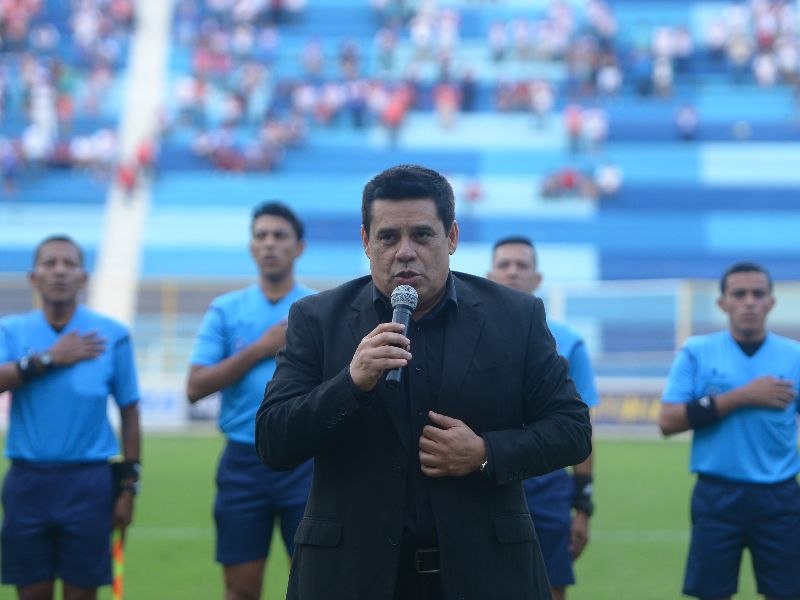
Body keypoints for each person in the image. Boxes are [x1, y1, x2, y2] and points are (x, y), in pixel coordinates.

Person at [255, 164, 592, 600]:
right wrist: (350, 383)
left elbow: (572, 429)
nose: (405, 252)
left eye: (422, 235)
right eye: (388, 237)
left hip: (486, 575)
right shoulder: (317, 320)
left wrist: (486, 452)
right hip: (351, 577)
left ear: (451, 238)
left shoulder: (516, 316)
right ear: (366, 242)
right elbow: (273, 441)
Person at [0, 234, 141, 600]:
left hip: (89, 482)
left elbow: (130, 411)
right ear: (33, 277)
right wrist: (49, 358)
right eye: (49, 263)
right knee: (32, 593)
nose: (59, 271)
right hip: (28, 480)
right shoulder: (11, 330)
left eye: (69, 264)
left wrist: (128, 487)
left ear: (84, 276)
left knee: (82, 594)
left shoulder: (112, 334)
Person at [186, 201, 315, 600]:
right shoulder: (226, 309)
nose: (270, 244)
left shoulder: (318, 309)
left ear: (299, 247)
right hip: (243, 462)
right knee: (240, 591)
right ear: (251, 247)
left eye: (280, 236)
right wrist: (260, 349)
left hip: (305, 464)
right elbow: (195, 386)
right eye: (261, 236)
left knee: (315, 584)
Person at [659, 261, 800, 600]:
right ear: (722, 303)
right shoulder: (697, 351)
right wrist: (741, 397)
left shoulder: (794, 356)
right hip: (717, 495)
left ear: (771, 302)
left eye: (758, 294)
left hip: (780, 495)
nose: (749, 301)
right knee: (711, 593)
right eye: (739, 294)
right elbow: (668, 421)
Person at [487, 236, 598, 600]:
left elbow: (581, 427)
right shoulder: (466, 334)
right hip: (482, 477)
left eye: (522, 265)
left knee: (549, 587)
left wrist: (583, 504)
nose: (513, 272)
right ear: (490, 274)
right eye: (504, 264)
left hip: (548, 484)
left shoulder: (568, 341)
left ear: (538, 277)